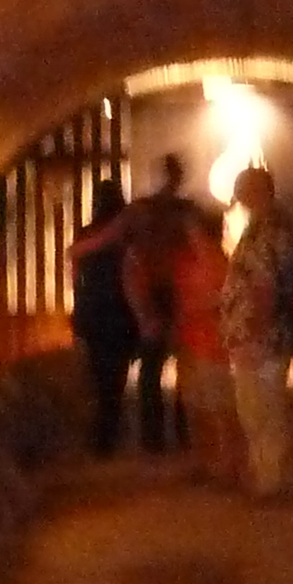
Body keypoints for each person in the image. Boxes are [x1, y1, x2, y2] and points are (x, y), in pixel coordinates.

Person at [219, 166, 293, 500]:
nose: (237, 195)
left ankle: (269, 481)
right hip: (264, 334)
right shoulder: (273, 228)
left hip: (258, 337)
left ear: (257, 192)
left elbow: (263, 287)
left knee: (259, 410)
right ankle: (266, 476)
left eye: (241, 188)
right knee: (263, 409)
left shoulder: (265, 233)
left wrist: (254, 333)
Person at [121, 154, 203, 454]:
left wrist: (142, 308)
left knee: (154, 370)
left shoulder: (145, 211)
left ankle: (154, 437)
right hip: (174, 291)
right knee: (181, 368)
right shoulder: (184, 212)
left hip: (161, 291)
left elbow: (133, 260)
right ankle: (180, 434)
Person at [69, 179, 144, 455]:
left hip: (91, 313)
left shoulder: (85, 235)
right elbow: (131, 280)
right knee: (115, 378)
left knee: (98, 378)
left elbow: (75, 276)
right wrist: (142, 316)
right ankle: (109, 433)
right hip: (119, 314)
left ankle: (102, 436)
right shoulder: (126, 239)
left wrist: (78, 310)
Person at [170, 196, 235, 483]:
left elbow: (223, 300)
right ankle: (206, 461)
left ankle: (225, 463)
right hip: (189, 340)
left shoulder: (218, 260)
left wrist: (194, 309)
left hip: (210, 342)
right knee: (196, 407)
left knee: (216, 407)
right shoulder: (187, 260)